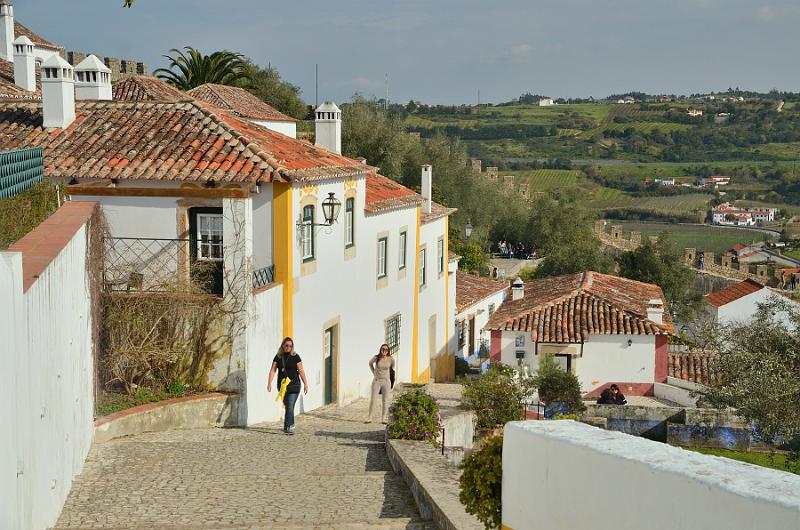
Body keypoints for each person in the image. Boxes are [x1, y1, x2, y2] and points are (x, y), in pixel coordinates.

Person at [267, 337, 308, 435]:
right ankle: (291, 423)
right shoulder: (278, 357)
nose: (288, 347)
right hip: (282, 386)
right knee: (289, 406)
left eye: (290, 346)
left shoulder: (296, 357)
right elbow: (273, 370)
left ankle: (287, 427)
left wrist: (306, 383)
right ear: (283, 345)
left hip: (294, 385)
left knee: (289, 405)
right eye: (286, 345)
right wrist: (269, 382)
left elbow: (301, 370)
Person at [367, 343, 396, 424]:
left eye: (386, 349)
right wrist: (374, 373)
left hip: (386, 381)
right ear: (380, 349)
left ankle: (383, 419)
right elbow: (370, 363)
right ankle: (369, 417)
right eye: (383, 349)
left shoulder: (391, 359)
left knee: (385, 400)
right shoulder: (376, 357)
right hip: (377, 381)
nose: (384, 351)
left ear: (388, 351)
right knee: (373, 399)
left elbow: (392, 367)